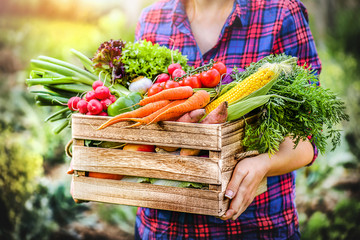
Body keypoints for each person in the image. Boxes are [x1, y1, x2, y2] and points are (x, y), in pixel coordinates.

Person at [134, 0, 321, 239]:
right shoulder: (152, 19)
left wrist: (263, 163)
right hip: (162, 228)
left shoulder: (281, 14)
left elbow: (307, 139)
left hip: (252, 227)